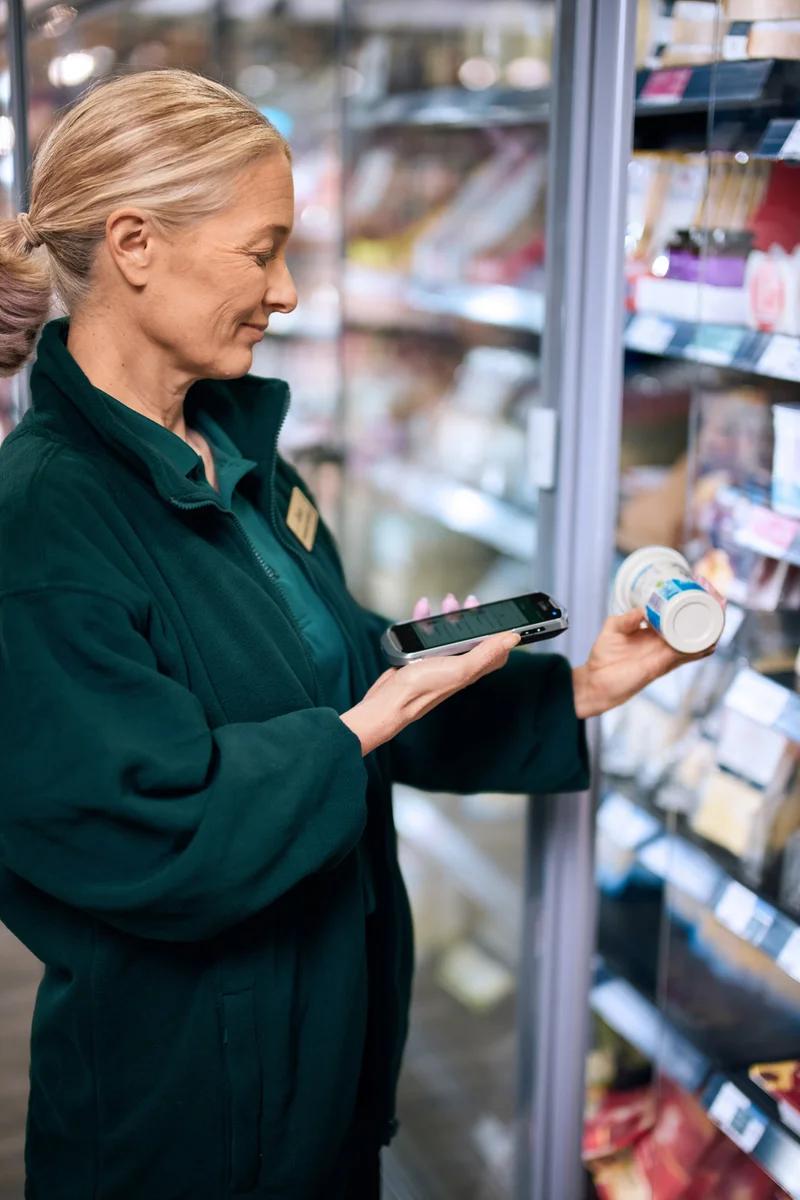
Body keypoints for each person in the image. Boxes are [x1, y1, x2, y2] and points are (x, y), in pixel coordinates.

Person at [0, 70, 715, 1200]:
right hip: (182, 1113)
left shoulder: (229, 457)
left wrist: (575, 686)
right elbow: (145, 830)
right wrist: (361, 724)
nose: (284, 291)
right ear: (134, 244)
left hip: (318, 1063)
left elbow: (347, 666)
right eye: (259, 249)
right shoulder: (44, 522)